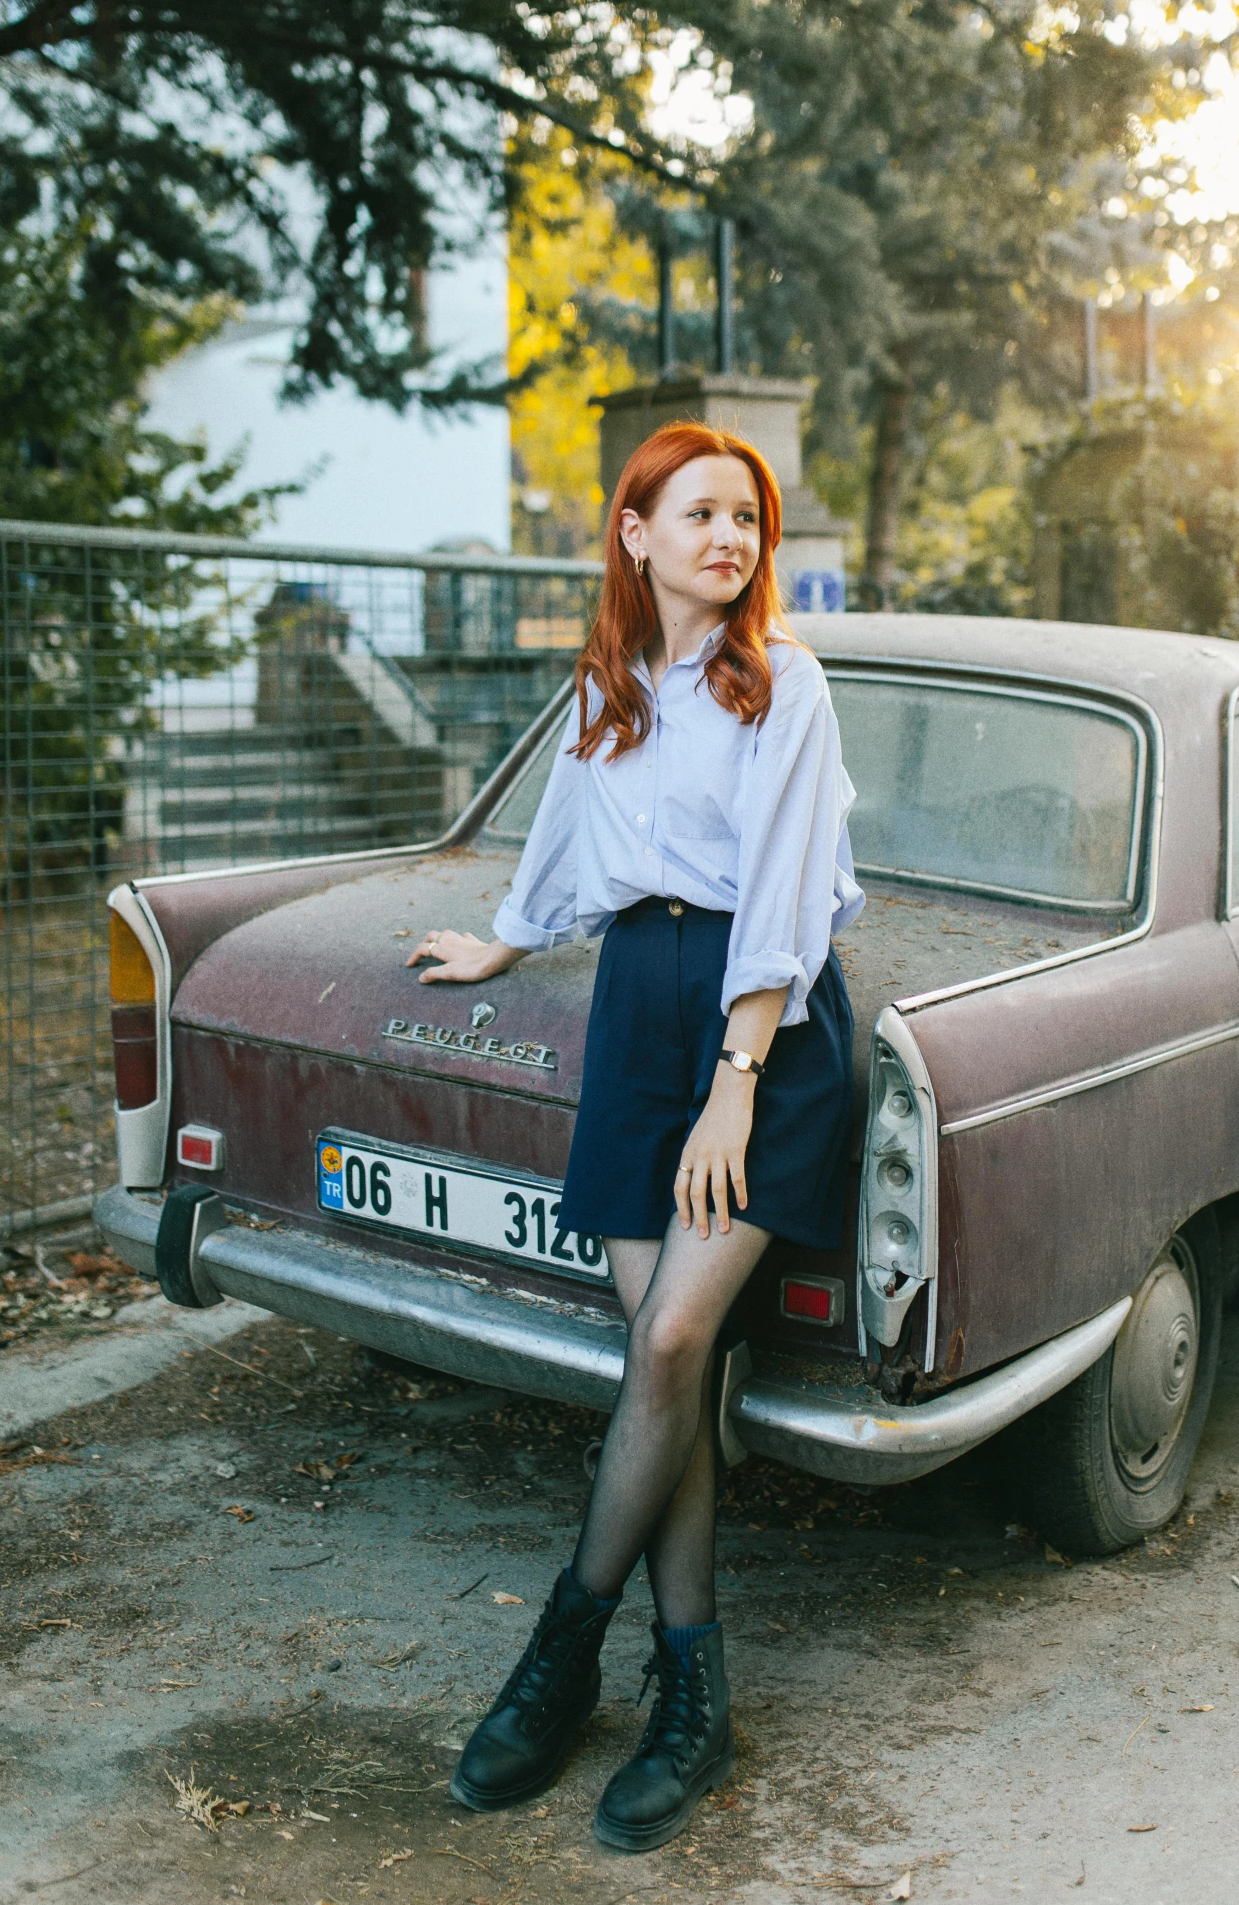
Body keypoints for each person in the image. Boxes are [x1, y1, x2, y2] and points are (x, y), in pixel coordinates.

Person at [406, 420, 862, 1854]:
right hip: (633, 1016)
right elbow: (560, 840)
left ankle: (560, 1652)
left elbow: (787, 888)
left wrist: (739, 1076)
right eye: (700, 512)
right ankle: (692, 1693)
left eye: (747, 516)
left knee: (667, 1344)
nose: (728, 537)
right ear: (634, 532)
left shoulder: (783, 683)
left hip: (758, 1025)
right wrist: (504, 940)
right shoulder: (604, 686)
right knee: (675, 1366)